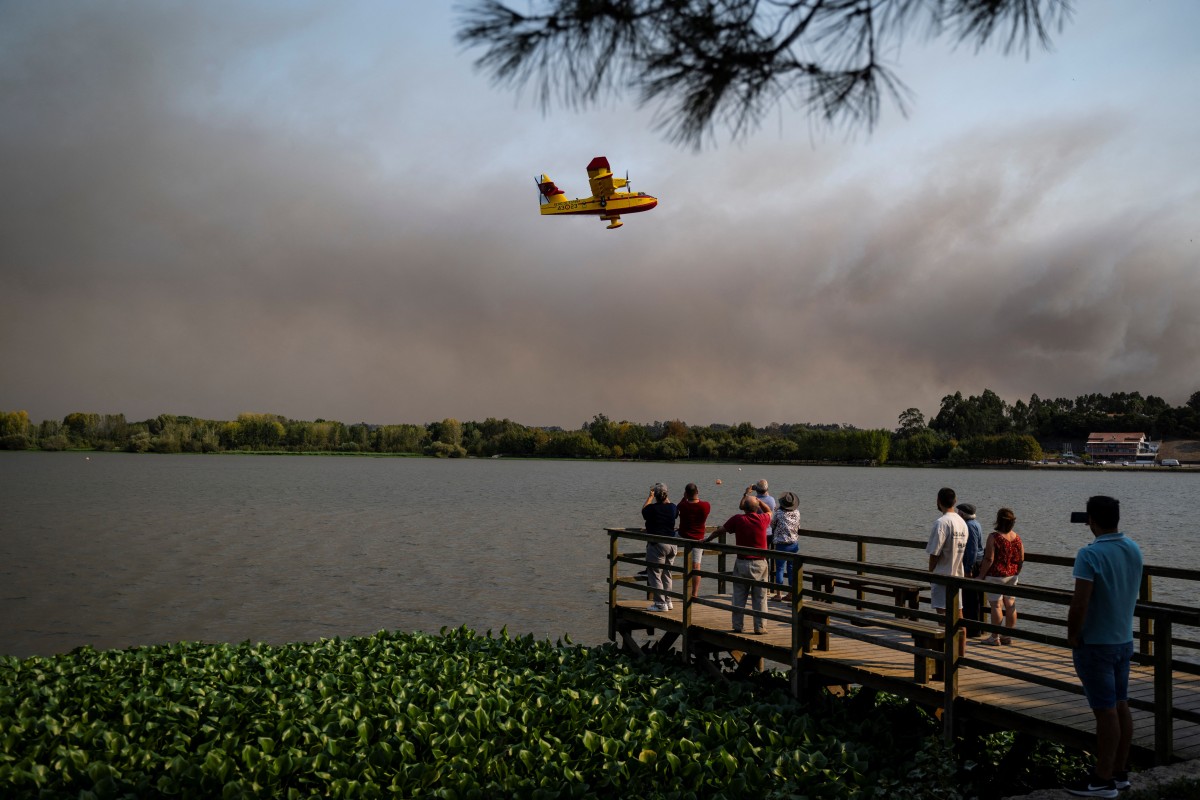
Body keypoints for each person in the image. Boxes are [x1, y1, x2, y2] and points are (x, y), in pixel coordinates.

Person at [1064, 496, 1142, 799]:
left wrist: (1072, 634)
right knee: (1121, 705)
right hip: (1123, 640)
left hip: (1095, 643)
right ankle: (1120, 773)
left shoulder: (1089, 554)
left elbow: (1080, 602)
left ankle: (1102, 779)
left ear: (1090, 519)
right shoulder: (1133, 548)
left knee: (1105, 711)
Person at [704, 487, 772, 634]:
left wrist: (708, 540)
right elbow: (770, 512)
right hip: (760, 563)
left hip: (742, 562)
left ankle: (737, 625)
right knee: (760, 597)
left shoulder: (737, 519)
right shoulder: (762, 519)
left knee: (739, 596)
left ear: (744, 508)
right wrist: (760, 502)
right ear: (756, 508)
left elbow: (719, 531)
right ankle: (760, 627)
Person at [926, 486, 969, 657]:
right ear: (955, 501)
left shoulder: (941, 523)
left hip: (942, 575)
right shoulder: (962, 522)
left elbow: (934, 552)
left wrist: (930, 573)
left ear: (938, 501)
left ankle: (946, 656)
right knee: (959, 616)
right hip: (957, 575)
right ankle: (961, 655)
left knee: (943, 620)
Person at [978, 508, 1024, 646]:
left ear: (998, 520)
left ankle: (994, 637)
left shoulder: (994, 537)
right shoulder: (1017, 538)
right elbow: (1021, 559)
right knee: (1010, 605)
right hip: (1012, 575)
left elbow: (989, 559)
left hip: (995, 576)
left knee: (996, 605)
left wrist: (981, 576)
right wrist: (1016, 572)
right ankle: (1007, 636)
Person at [641, 483, 678, 612]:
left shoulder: (651, 509)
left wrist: (650, 497)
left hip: (657, 545)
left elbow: (643, 510)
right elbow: (673, 510)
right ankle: (668, 601)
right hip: (672, 544)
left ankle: (660, 604)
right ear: (666, 495)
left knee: (655, 574)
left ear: (656, 495)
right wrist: (664, 496)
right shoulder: (673, 508)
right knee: (667, 574)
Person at [676, 482, 711, 599]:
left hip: (682, 536)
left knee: (664, 540)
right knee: (696, 567)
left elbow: (677, 509)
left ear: (686, 494)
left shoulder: (682, 505)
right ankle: (694, 594)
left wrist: (684, 498)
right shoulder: (705, 505)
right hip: (698, 539)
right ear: (697, 492)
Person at [957, 503, 987, 636]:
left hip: (973, 564)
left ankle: (973, 630)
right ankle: (976, 628)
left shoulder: (969, 526)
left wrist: (968, 569)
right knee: (974, 597)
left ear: (963, 514)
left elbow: (973, 549)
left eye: (959, 512)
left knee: (970, 598)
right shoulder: (976, 524)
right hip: (977, 563)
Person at [769, 492, 801, 601]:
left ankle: (779, 594)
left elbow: (772, 524)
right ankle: (791, 594)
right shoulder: (797, 513)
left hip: (781, 545)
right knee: (791, 570)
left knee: (780, 569)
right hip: (794, 544)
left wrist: (778, 511)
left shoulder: (779, 513)